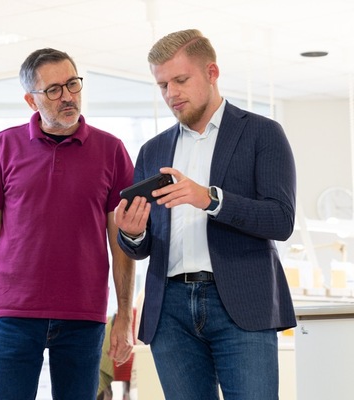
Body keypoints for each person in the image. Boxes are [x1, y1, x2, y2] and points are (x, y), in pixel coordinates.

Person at [114, 29, 297, 400]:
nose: (171, 94)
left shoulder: (263, 133)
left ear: (212, 72)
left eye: (181, 80)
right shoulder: (153, 150)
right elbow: (141, 246)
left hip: (241, 304)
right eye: (162, 85)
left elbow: (281, 220)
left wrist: (211, 199)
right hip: (170, 312)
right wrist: (131, 234)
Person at [0, 47, 136, 399]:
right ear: (30, 100)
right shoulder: (4, 146)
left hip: (84, 315)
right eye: (54, 89)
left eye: (73, 84)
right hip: (15, 312)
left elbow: (121, 240)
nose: (67, 96)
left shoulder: (111, 150)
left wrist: (125, 317)